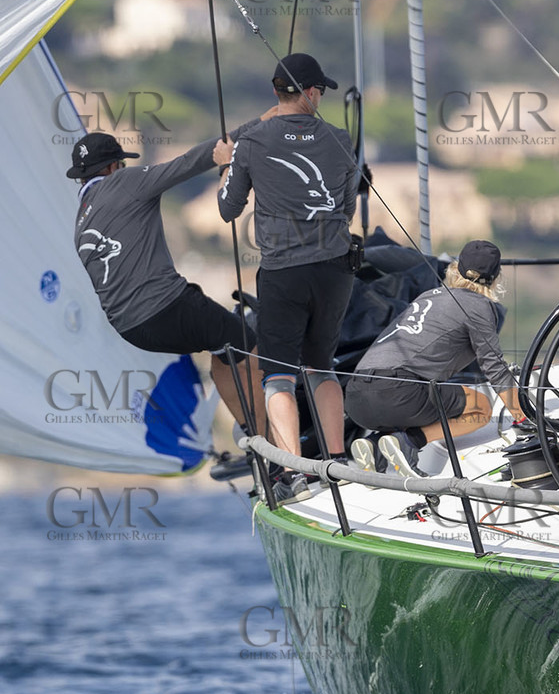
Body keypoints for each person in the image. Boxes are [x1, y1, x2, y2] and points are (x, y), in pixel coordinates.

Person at [69, 131, 263, 441]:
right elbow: (187, 163)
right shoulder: (123, 182)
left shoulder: (80, 224)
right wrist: (237, 138)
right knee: (249, 345)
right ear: (112, 167)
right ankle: (273, 449)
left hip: (133, 332)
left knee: (222, 345)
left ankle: (249, 434)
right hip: (165, 308)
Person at [217, 53, 361, 471]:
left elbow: (228, 210)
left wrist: (228, 163)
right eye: (320, 92)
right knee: (322, 366)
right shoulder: (340, 138)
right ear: (311, 93)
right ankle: (337, 460)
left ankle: (294, 470)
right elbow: (347, 208)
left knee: (278, 374)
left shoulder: (252, 142)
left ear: (277, 92)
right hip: (335, 270)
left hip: (282, 273)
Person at [344, 240, 524, 476]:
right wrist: (525, 418)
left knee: (425, 395)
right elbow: (495, 368)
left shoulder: (429, 295)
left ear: (456, 267)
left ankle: (376, 444)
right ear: (496, 277)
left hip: (356, 397)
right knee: (480, 407)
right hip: (396, 394)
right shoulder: (479, 305)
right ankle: (411, 441)